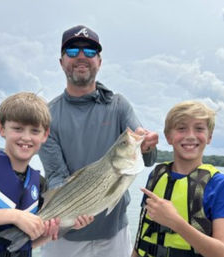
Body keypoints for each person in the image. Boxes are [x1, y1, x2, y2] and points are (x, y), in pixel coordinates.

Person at [38, 25, 159, 257]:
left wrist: (147, 147)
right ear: (61, 62)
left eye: (90, 51)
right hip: (65, 238)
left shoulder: (118, 105)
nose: (82, 56)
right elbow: (55, 175)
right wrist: (68, 213)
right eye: (72, 51)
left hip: (114, 235)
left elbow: (146, 156)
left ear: (100, 61)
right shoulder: (47, 115)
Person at [0, 92, 93, 257]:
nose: (26, 137)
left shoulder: (39, 184)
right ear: (1, 128)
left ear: (45, 135)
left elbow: (28, 242)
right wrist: (13, 216)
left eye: (34, 131)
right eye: (18, 129)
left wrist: (67, 225)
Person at [132, 100, 224, 257]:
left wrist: (176, 222)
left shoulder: (217, 185)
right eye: (181, 128)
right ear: (168, 137)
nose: (190, 136)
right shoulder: (156, 175)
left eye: (199, 129)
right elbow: (142, 234)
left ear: (209, 137)